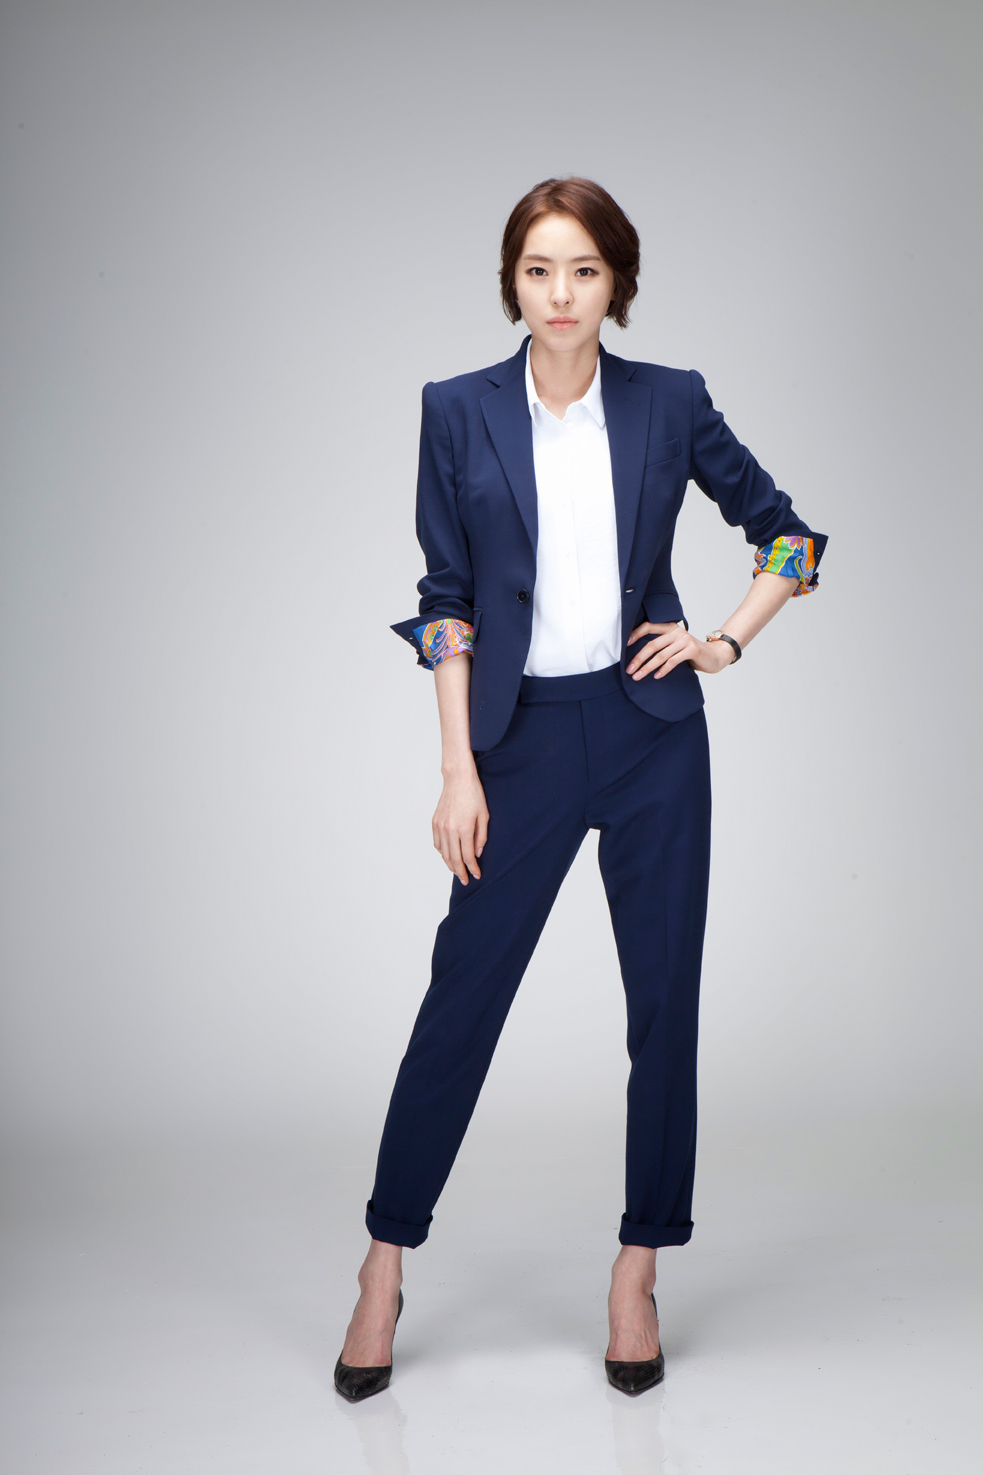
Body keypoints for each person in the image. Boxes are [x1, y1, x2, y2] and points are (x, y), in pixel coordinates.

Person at [334, 177, 826, 1401]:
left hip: (651, 730)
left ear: (617, 283)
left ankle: (637, 1268)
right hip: (518, 742)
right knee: (462, 1001)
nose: (560, 294)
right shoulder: (456, 410)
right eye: (539, 269)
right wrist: (457, 767)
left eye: (584, 270)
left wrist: (722, 639)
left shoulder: (670, 400)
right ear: (512, 282)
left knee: (663, 1005)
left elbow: (789, 537)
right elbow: (445, 599)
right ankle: (383, 1262)